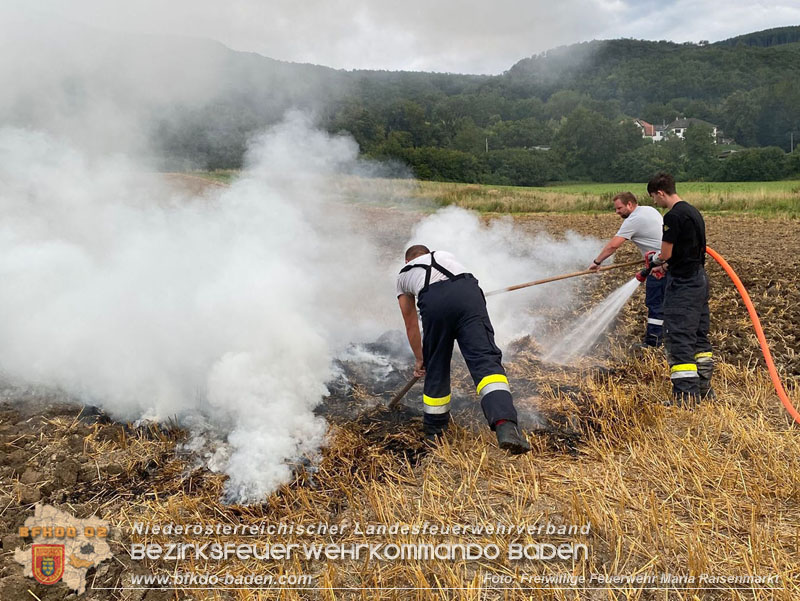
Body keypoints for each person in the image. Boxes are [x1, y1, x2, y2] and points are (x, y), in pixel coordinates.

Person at [396, 245, 530, 453]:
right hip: (469, 292)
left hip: (434, 301)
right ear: (428, 253)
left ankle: (434, 434)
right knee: (486, 361)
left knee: (436, 366)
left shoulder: (403, 275)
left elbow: (411, 323)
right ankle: (506, 425)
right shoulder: (445, 255)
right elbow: (454, 284)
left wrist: (421, 358)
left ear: (407, 261)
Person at [647, 172, 714, 404]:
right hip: (698, 279)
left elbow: (665, 253)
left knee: (679, 338)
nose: (655, 203)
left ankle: (686, 396)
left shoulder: (673, 216)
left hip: (683, 284)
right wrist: (667, 264)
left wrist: (656, 261)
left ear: (660, 192)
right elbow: (686, 250)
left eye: (654, 198)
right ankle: (704, 389)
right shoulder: (693, 211)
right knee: (698, 336)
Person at [589, 192, 666, 346]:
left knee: (655, 303)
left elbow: (613, 245)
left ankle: (653, 343)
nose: (617, 212)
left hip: (660, 267)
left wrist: (597, 262)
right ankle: (666, 339)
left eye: (619, 208)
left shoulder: (634, 219)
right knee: (667, 302)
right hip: (666, 261)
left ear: (630, 204)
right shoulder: (649, 210)